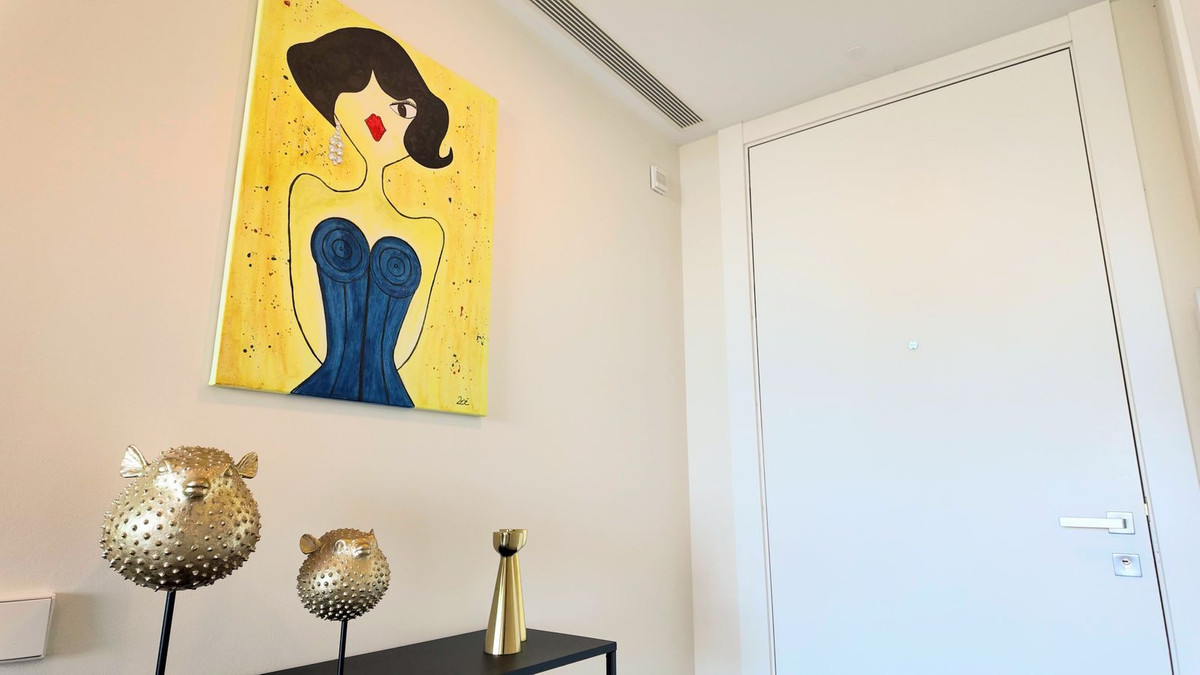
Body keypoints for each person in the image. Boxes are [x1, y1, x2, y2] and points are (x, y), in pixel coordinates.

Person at [284, 27, 453, 406]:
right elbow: (307, 313)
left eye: (401, 109)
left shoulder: (428, 232)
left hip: (391, 394)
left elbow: (408, 341)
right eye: (360, 94)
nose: (378, 119)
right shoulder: (310, 193)